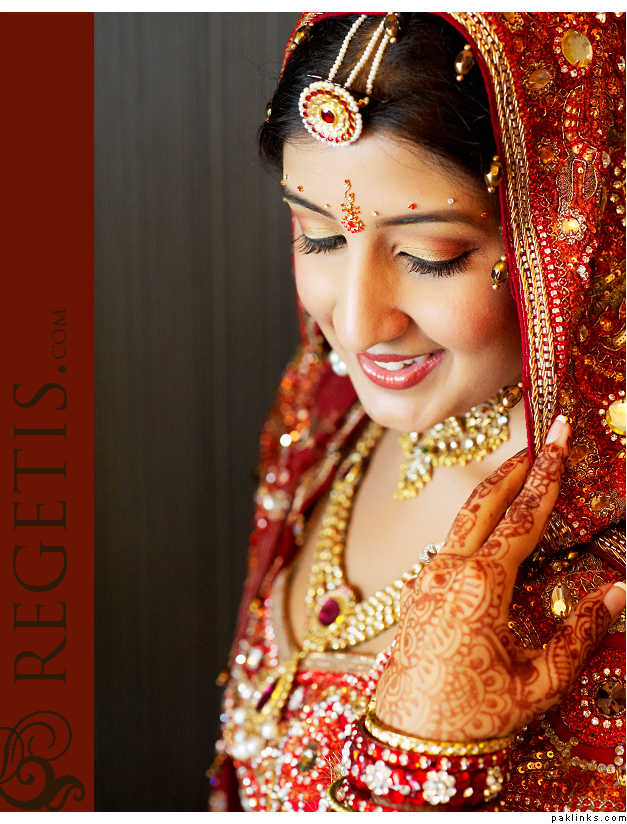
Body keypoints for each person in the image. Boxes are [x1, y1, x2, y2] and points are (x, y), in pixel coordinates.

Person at [208, 12, 625, 812]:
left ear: (572, 234)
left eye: (433, 256)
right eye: (318, 237)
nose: (359, 324)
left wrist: (423, 769)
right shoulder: (323, 418)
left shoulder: (605, 550)